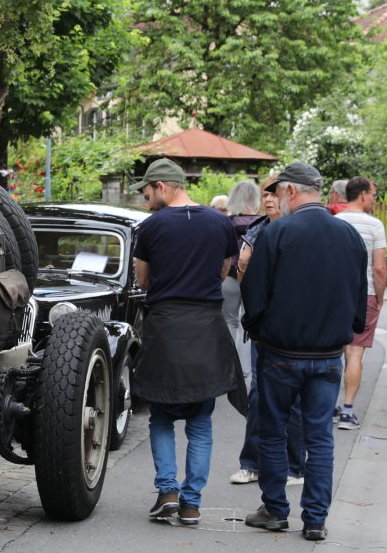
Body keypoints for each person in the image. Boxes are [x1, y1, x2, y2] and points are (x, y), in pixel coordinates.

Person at [239, 161, 367, 542]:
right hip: (328, 355)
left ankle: (276, 509)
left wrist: (255, 331)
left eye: (280, 192)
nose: (279, 198)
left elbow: (255, 294)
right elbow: (358, 299)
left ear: (291, 191)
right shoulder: (349, 236)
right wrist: (346, 329)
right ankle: (315, 518)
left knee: (273, 431)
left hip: (281, 351)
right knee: (320, 436)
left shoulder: (276, 233)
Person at [130, 159, 242, 525]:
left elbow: (143, 280)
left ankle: (168, 492)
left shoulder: (150, 227)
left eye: (148, 193)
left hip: (165, 326)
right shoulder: (220, 223)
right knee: (200, 420)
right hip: (206, 326)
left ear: (162, 186)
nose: (147, 201)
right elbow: (223, 271)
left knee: (161, 417)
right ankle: (191, 503)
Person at [231, 175, 306, 488]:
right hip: (261, 324)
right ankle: (252, 463)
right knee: (259, 392)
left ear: (288, 196)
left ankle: (294, 465)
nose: (270, 200)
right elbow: (242, 280)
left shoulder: (296, 230)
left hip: (291, 324)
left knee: (293, 395)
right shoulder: (256, 229)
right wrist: (244, 265)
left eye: (275, 194)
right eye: (265, 195)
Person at [334, 177, 386, 430]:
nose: (374, 199)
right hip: (365, 294)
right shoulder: (374, 225)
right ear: (363, 194)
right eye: (373, 195)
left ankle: (329, 405)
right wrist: (380, 297)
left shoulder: (335, 222)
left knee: (333, 350)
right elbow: (379, 268)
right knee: (355, 352)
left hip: (336, 293)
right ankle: (347, 411)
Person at [219, 180, 259, 381]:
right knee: (248, 321)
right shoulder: (263, 223)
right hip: (254, 278)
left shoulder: (227, 222)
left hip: (229, 277)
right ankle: (244, 369)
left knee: (229, 320)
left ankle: (227, 365)